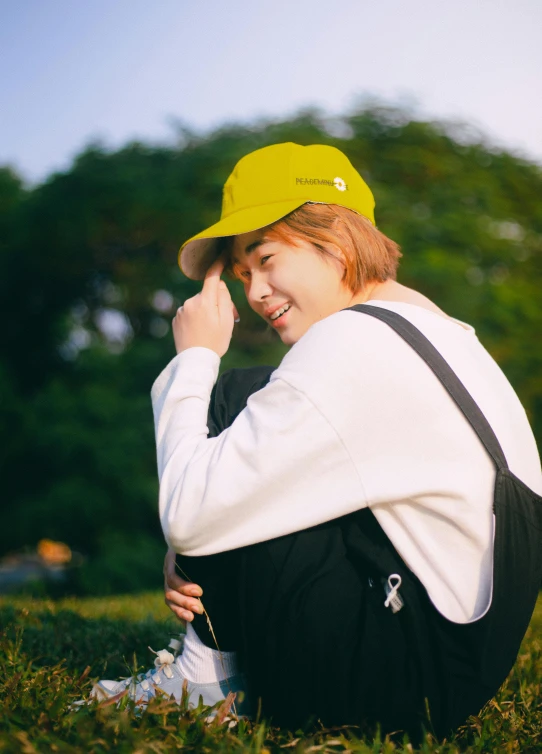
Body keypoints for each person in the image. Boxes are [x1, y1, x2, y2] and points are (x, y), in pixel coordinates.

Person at [94, 142, 542, 740]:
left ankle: (203, 679)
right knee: (255, 399)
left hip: (392, 681)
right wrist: (207, 529)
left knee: (229, 398)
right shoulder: (438, 332)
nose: (253, 293)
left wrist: (196, 357)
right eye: (244, 273)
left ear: (334, 237)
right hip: (451, 664)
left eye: (266, 258)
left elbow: (187, 514)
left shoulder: (352, 346)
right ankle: (214, 663)